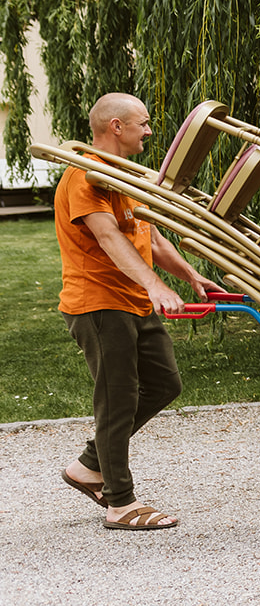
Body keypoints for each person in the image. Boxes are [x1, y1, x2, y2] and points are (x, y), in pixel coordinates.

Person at [57, 93, 218, 530]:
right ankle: (120, 503)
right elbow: (110, 239)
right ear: (115, 126)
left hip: (131, 300)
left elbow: (150, 236)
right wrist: (155, 286)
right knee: (118, 400)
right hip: (99, 303)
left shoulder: (121, 176)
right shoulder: (85, 178)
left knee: (164, 383)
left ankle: (89, 466)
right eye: (143, 124)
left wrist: (189, 276)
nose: (149, 131)